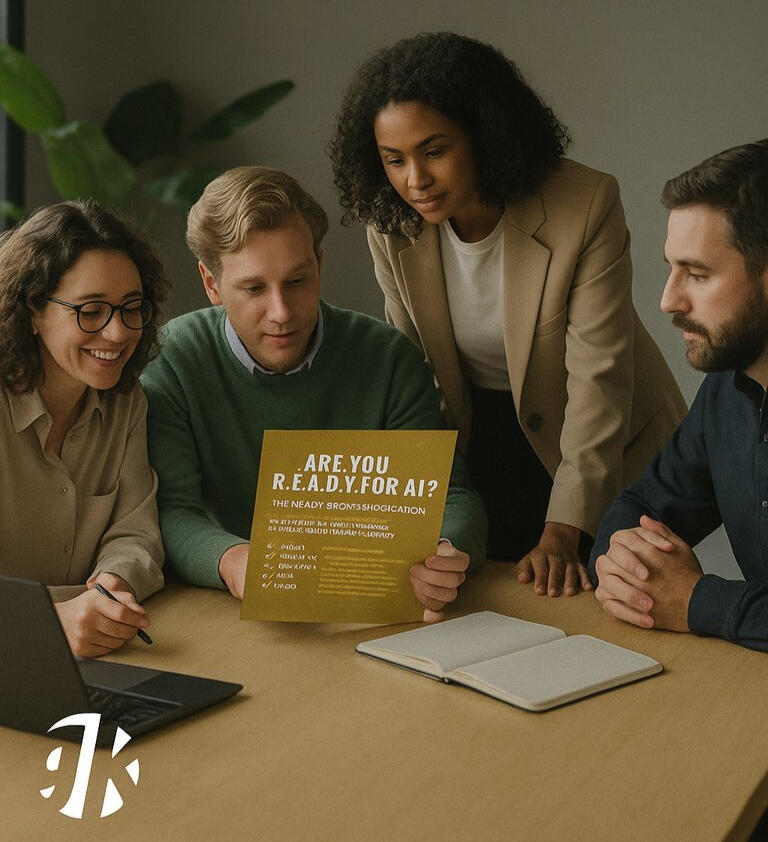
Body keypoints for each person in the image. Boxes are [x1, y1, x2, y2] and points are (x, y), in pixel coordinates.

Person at [329, 32, 686, 598]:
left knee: (598, 610)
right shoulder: (391, 226)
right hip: (484, 430)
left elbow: (600, 381)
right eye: (393, 160)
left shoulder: (585, 204)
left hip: (604, 439)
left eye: (435, 150)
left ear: (485, 134)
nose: (414, 180)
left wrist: (565, 529)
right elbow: (415, 372)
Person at [141, 166, 486, 621]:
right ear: (211, 285)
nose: (281, 313)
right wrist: (234, 562)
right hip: (221, 613)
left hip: (375, 609)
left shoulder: (389, 360)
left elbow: (452, 498)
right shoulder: (174, 360)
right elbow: (172, 511)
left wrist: (443, 551)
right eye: (253, 288)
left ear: (319, 265)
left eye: (297, 281)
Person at [589, 139, 768, 652]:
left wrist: (695, 601)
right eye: (672, 268)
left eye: (698, 274)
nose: (668, 300)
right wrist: (622, 566)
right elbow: (642, 506)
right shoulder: (726, 391)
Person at [0, 200, 167, 657]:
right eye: (91, 311)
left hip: (93, 656)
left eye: (131, 308)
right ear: (33, 309)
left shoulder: (126, 404)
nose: (117, 334)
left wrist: (109, 590)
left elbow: (136, 531)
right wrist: (52, 623)